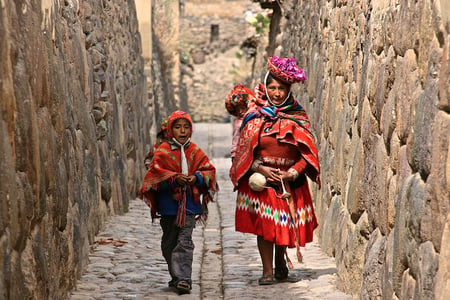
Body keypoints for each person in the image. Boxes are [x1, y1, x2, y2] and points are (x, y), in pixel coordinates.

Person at [229, 56, 321, 285]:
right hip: (262, 181)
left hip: (289, 181)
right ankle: (267, 270)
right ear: (266, 88)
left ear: (289, 89)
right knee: (265, 227)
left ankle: (281, 260)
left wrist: (293, 173)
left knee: (282, 226)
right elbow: (242, 153)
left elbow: (307, 156)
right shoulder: (254, 117)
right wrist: (259, 167)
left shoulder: (298, 117)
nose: (277, 93)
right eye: (272, 87)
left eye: (281, 88)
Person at [139, 110, 219, 294]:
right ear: (169, 130)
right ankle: (176, 275)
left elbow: (209, 171)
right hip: (169, 207)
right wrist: (174, 179)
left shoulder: (195, 151)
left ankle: (184, 278)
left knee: (184, 241)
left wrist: (196, 178)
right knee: (169, 244)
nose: (182, 131)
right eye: (177, 127)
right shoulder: (163, 151)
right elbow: (155, 174)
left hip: (189, 205)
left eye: (186, 127)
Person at [224, 83, 256, 161]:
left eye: (243, 108)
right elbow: (236, 140)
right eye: (238, 110)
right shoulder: (238, 123)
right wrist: (234, 155)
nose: (240, 111)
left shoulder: (256, 117)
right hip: (243, 154)